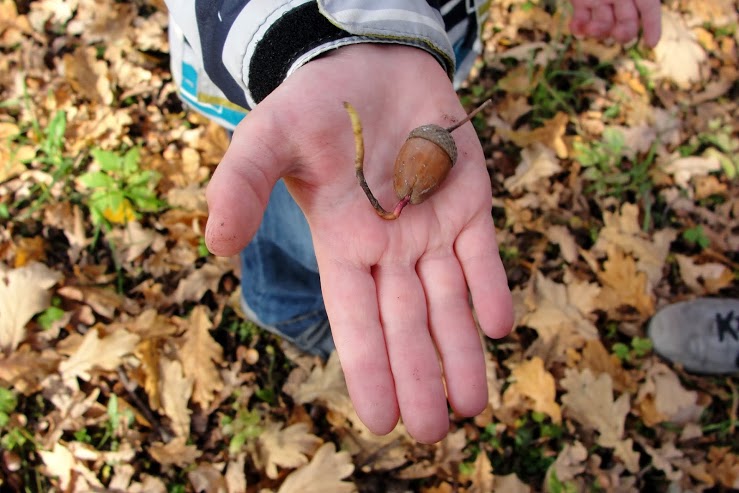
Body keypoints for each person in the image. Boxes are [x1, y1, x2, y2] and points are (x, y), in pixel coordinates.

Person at [165, 0, 663, 443]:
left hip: (435, 44)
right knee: (291, 221)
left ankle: (284, 300)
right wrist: (308, 37)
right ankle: (285, 306)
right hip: (266, 66)